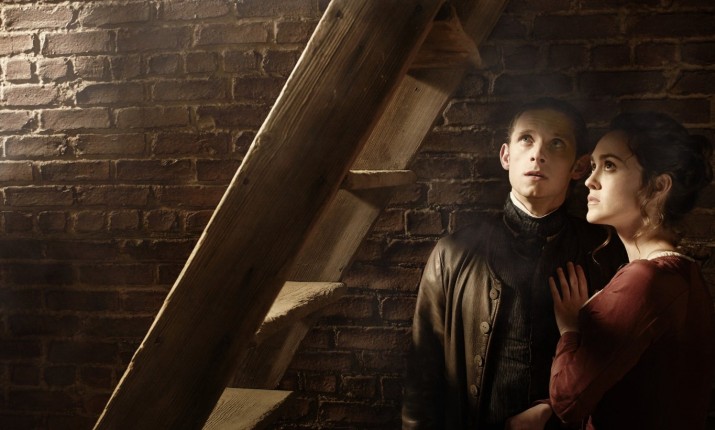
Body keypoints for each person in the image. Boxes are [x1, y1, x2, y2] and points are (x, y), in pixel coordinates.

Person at [401, 98, 627, 429]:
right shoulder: (453, 253)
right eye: (526, 139)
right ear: (506, 156)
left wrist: (552, 411)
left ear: (578, 167)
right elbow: (423, 376)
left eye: (556, 143)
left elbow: (621, 367)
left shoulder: (604, 252)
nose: (538, 154)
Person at [545, 112, 715, 429]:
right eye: (593, 166)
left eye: (609, 165)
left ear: (658, 186)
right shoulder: (684, 274)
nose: (589, 180)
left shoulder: (645, 280)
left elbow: (567, 399)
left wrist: (570, 329)